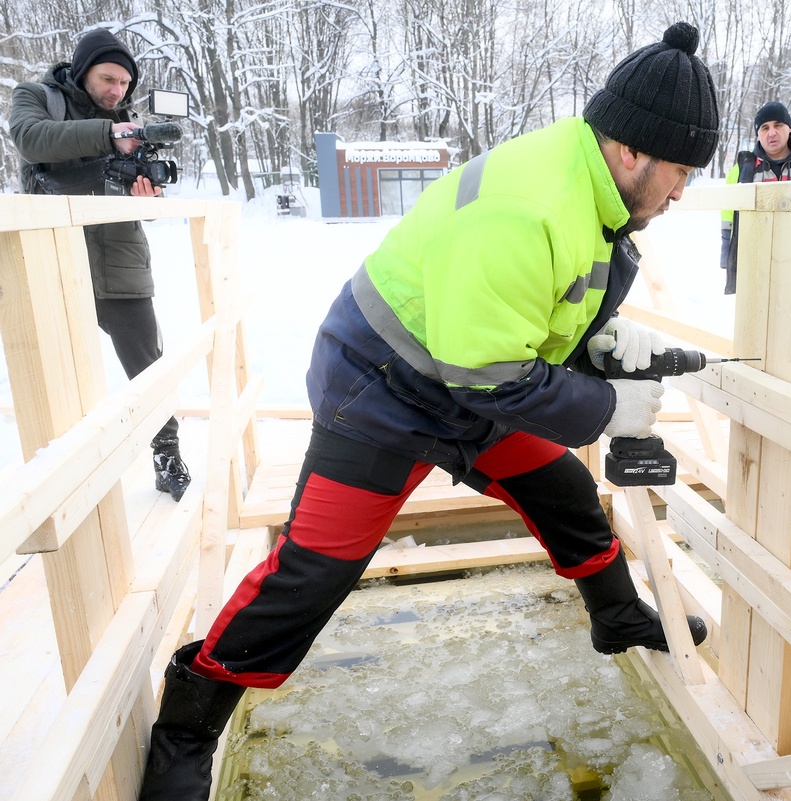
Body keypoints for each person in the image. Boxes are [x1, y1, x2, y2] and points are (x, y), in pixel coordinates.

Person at [135, 21, 718, 801]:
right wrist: (609, 403)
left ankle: (615, 615)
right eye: (680, 170)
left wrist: (601, 341)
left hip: (470, 376)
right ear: (631, 151)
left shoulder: (594, 191)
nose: (683, 191)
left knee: (564, 492)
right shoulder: (530, 205)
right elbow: (490, 374)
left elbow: (525, 322)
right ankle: (188, 719)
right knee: (312, 574)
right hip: (382, 390)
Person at [9, 29, 192, 502]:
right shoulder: (38, 98)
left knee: (148, 365)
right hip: (54, 259)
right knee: (59, 372)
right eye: (108, 78)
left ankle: (166, 448)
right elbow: (32, 142)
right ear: (82, 68)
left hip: (120, 260)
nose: (117, 91)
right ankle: (63, 469)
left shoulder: (125, 119)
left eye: (124, 85)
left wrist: (143, 194)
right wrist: (113, 136)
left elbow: (140, 206)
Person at [719, 101, 791, 294]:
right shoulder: (742, 169)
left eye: (778, 125)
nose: (771, 133)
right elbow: (728, 221)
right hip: (756, 264)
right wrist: (729, 264)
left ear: (789, 128)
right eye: (765, 128)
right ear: (758, 134)